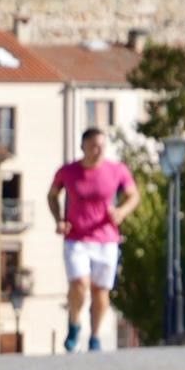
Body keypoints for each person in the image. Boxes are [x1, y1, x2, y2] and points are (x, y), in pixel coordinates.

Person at [49, 126, 133, 352]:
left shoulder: (117, 170)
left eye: (102, 146)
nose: (98, 150)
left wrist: (122, 211)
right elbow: (52, 194)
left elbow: (133, 195)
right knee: (79, 283)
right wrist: (59, 219)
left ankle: (95, 336)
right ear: (83, 146)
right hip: (76, 237)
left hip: (107, 239)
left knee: (100, 291)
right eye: (94, 146)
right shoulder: (68, 171)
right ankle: (75, 324)